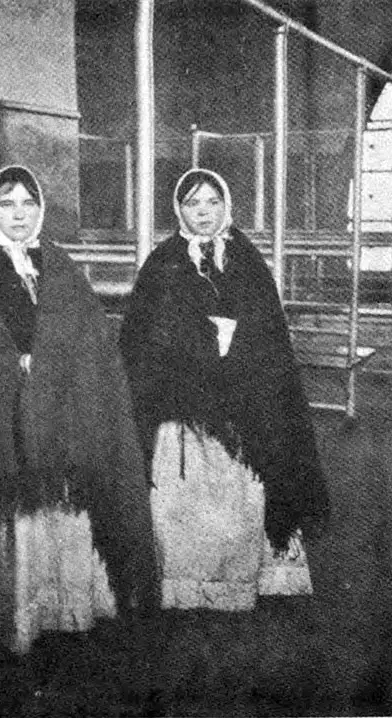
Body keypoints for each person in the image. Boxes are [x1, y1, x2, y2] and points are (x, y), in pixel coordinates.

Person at [0, 165, 159, 654]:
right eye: (7, 204)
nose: (20, 214)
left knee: (60, 505)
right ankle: (10, 614)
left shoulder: (59, 265)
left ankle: (63, 607)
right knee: (8, 511)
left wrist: (55, 368)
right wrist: (9, 368)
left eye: (28, 202)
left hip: (62, 415)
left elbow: (91, 341)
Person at [119, 168, 329, 612]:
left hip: (244, 401)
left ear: (226, 206)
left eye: (213, 202)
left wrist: (237, 342)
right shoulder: (162, 262)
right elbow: (143, 339)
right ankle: (187, 581)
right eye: (194, 203)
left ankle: (247, 575)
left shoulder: (248, 260)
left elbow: (269, 332)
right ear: (179, 209)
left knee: (246, 487)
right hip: (183, 406)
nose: (204, 212)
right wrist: (194, 342)